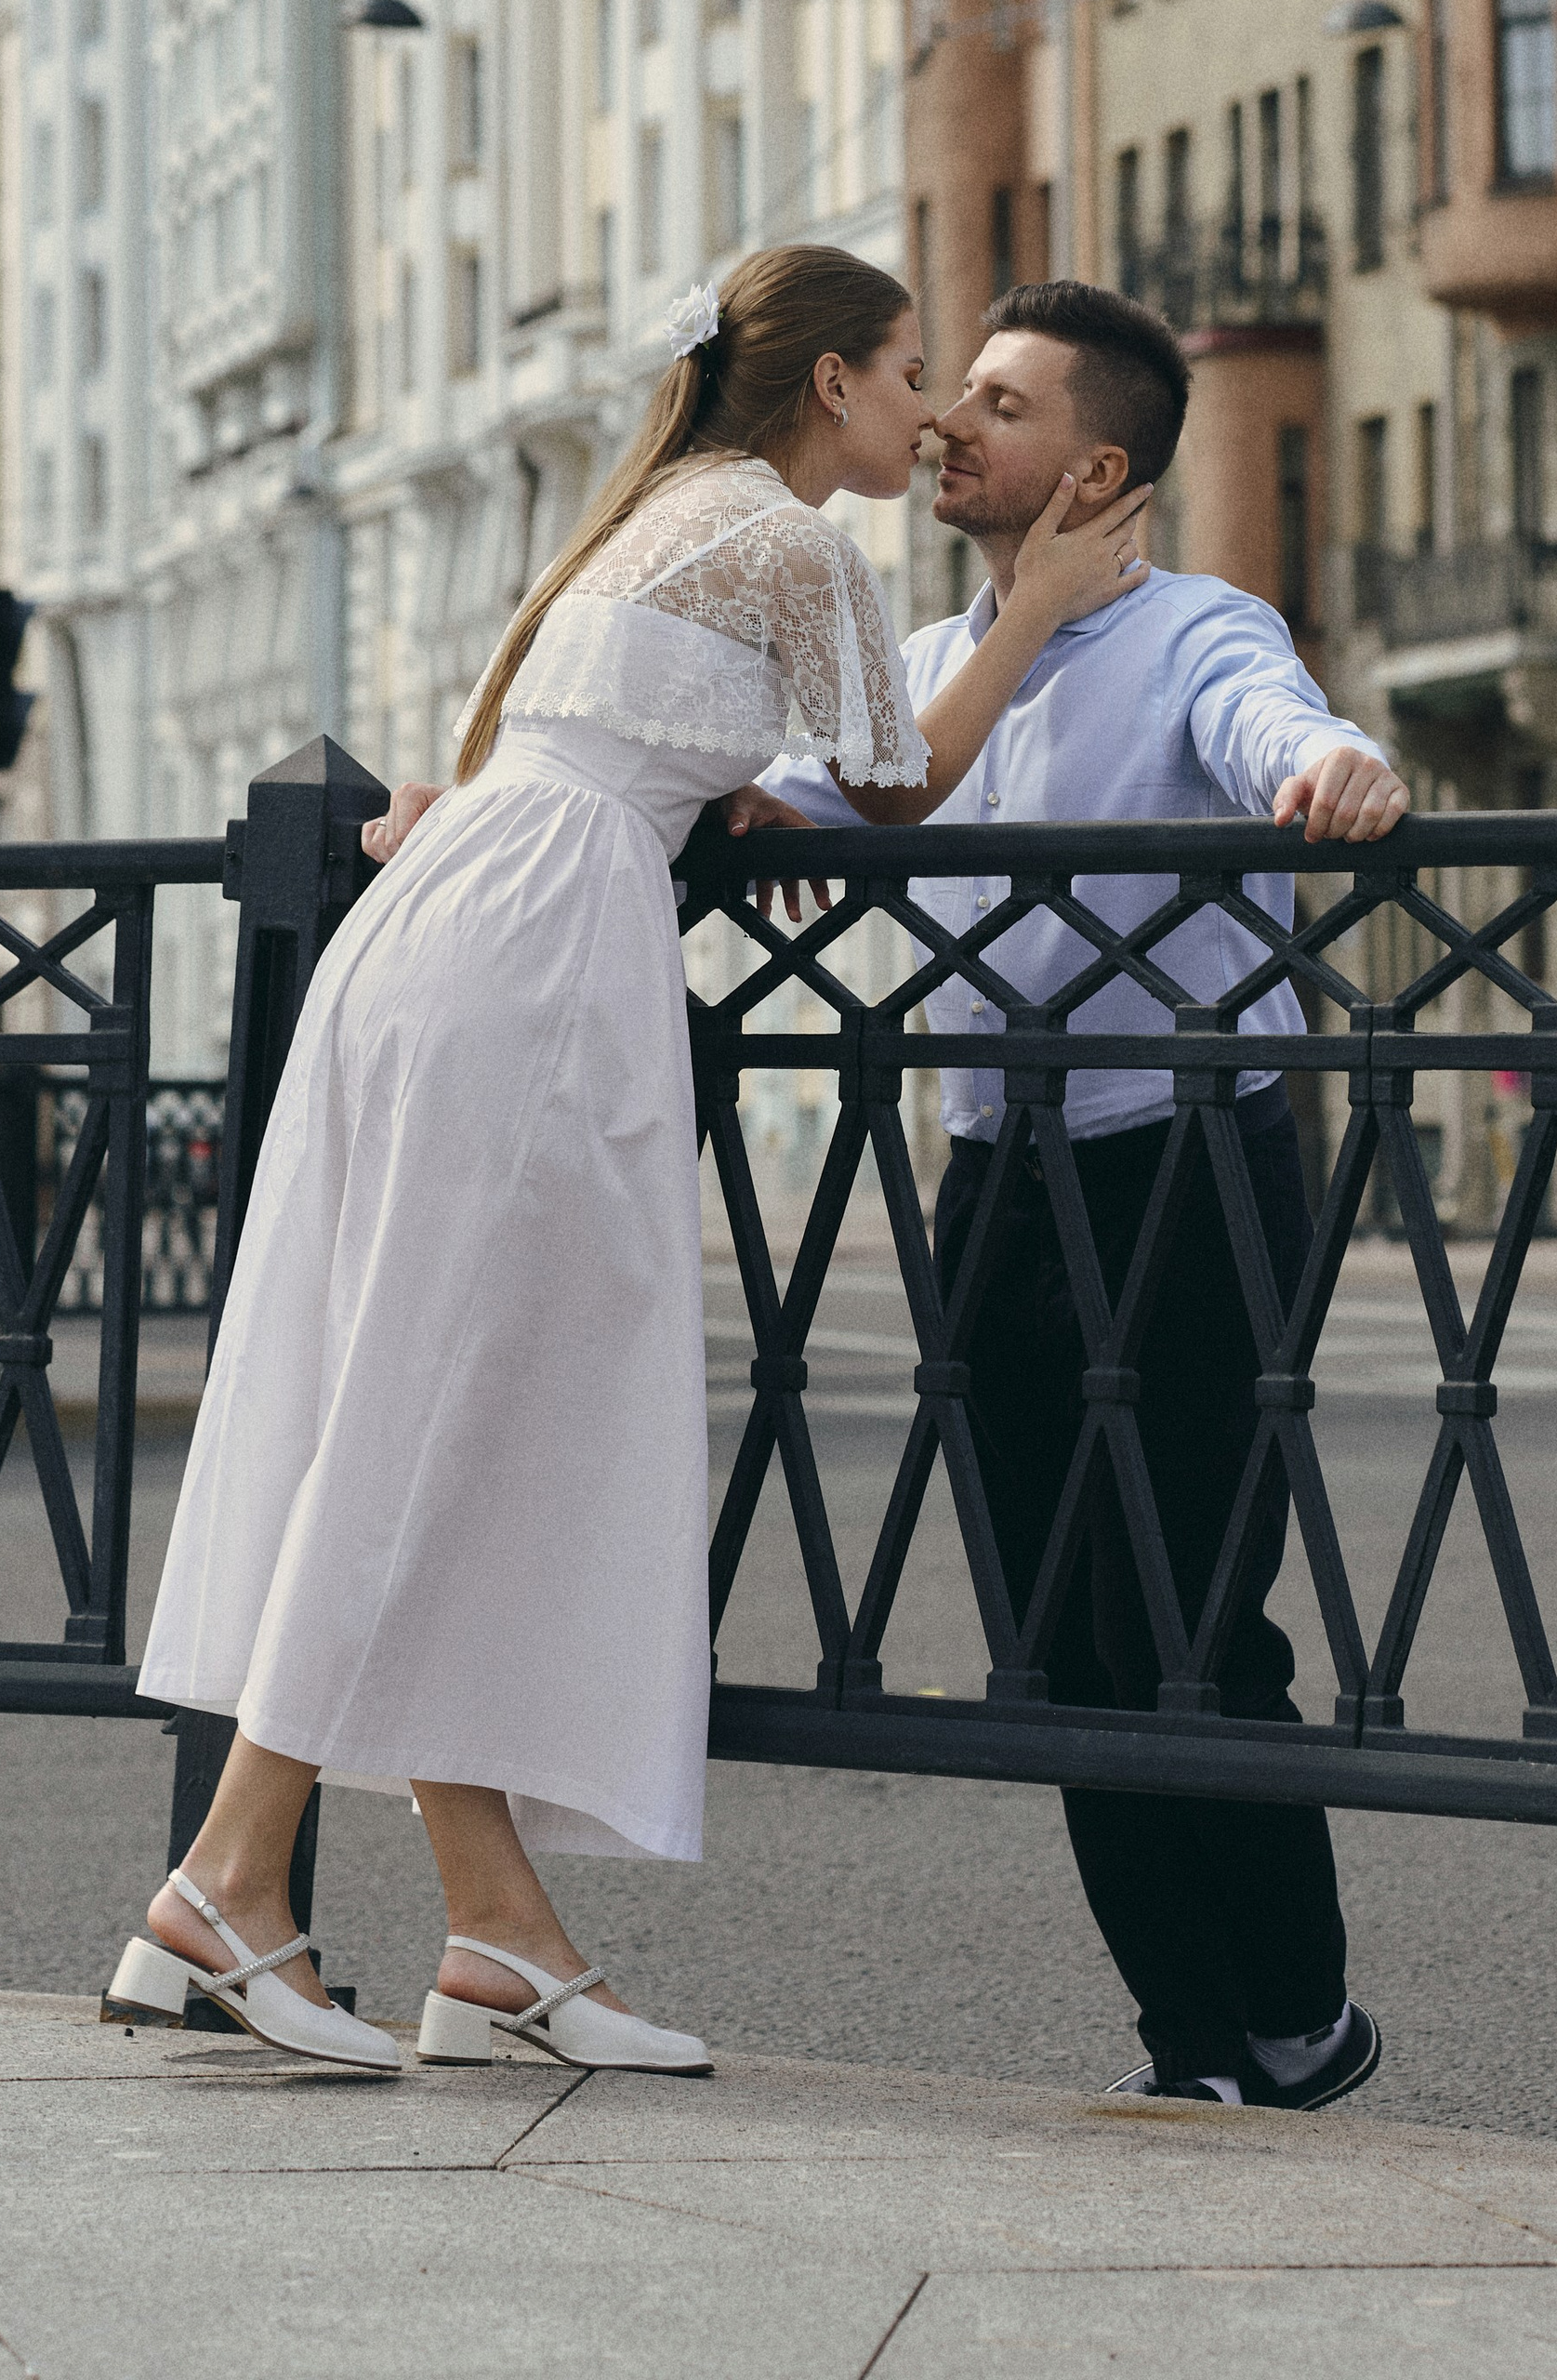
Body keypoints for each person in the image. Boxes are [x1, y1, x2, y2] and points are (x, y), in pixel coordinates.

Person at [111, 244, 1151, 2078]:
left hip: (462, 928)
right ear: (828, 382)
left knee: (449, 1417)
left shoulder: (668, 502)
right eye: (911, 369)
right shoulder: (787, 541)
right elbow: (903, 780)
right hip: (530, 963)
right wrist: (1041, 606)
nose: (925, 413)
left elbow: (682, 744)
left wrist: (728, 785)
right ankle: (217, 1889)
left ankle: (499, 1942)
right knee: (433, 1421)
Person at [736, 278, 1408, 2111]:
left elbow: (1272, 719)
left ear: (1091, 464)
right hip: (996, 1176)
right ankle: (1187, 2043)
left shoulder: (1197, 625)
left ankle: (1290, 2015)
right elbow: (825, 796)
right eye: (942, 390)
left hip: (1184, 1156)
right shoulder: (936, 659)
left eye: (996, 401)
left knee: (1186, 1616)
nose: (946, 419)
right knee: (1049, 1637)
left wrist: (1330, 770)